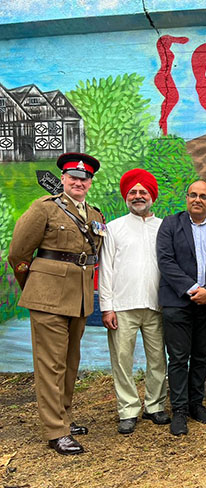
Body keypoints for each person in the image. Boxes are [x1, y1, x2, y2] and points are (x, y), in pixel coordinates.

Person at [8, 152, 105, 455]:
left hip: (78, 298)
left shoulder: (94, 215)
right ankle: (55, 430)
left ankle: (63, 416)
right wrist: (36, 289)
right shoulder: (44, 209)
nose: (79, 182)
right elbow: (18, 253)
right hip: (48, 297)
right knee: (50, 364)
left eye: (84, 178)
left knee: (69, 361)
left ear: (90, 183)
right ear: (63, 179)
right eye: (73, 177)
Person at [156, 180, 206, 436]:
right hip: (178, 302)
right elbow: (165, 261)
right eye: (193, 195)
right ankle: (178, 409)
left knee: (201, 357)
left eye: (203, 196)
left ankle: (195, 404)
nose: (197, 200)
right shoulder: (170, 224)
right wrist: (192, 289)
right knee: (178, 358)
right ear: (186, 198)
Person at [99, 168, 169, 435]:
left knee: (157, 360)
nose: (138, 196)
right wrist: (107, 307)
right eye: (133, 192)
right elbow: (105, 269)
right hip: (122, 306)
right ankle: (127, 409)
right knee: (122, 360)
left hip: (157, 305)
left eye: (143, 192)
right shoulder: (114, 228)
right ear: (125, 197)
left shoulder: (164, 227)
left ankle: (155, 405)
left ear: (152, 195)